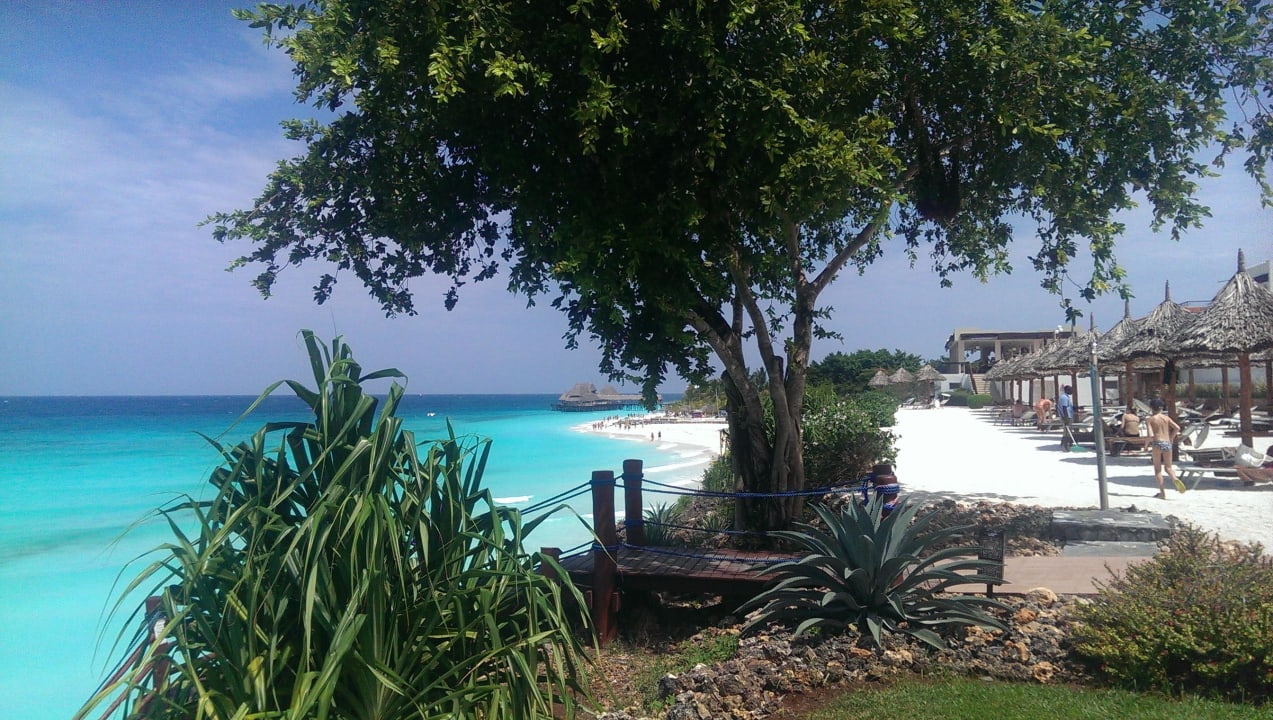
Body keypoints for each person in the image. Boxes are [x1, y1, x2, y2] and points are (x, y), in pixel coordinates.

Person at [1146, 398, 1185, 498]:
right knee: (1168, 467)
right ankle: (1174, 478)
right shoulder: (1166, 418)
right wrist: (1171, 437)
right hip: (1167, 443)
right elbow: (1177, 428)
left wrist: (1146, 446)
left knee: (1158, 470)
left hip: (1157, 443)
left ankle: (1162, 493)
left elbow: (1150, 435)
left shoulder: (1150, 419)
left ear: (1151, 408)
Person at [1056, 386, 1075, 450]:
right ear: (1067, 390)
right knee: (1067, 431)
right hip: (1067, 416)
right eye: (1071, 390)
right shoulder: (1064, 397)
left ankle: (1064, 443)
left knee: (1066, 431)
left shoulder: (1066, 397)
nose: (1072, 391)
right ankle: (1067, 445)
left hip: (1068, 416)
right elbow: (1064, 408)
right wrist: (1065, 418)